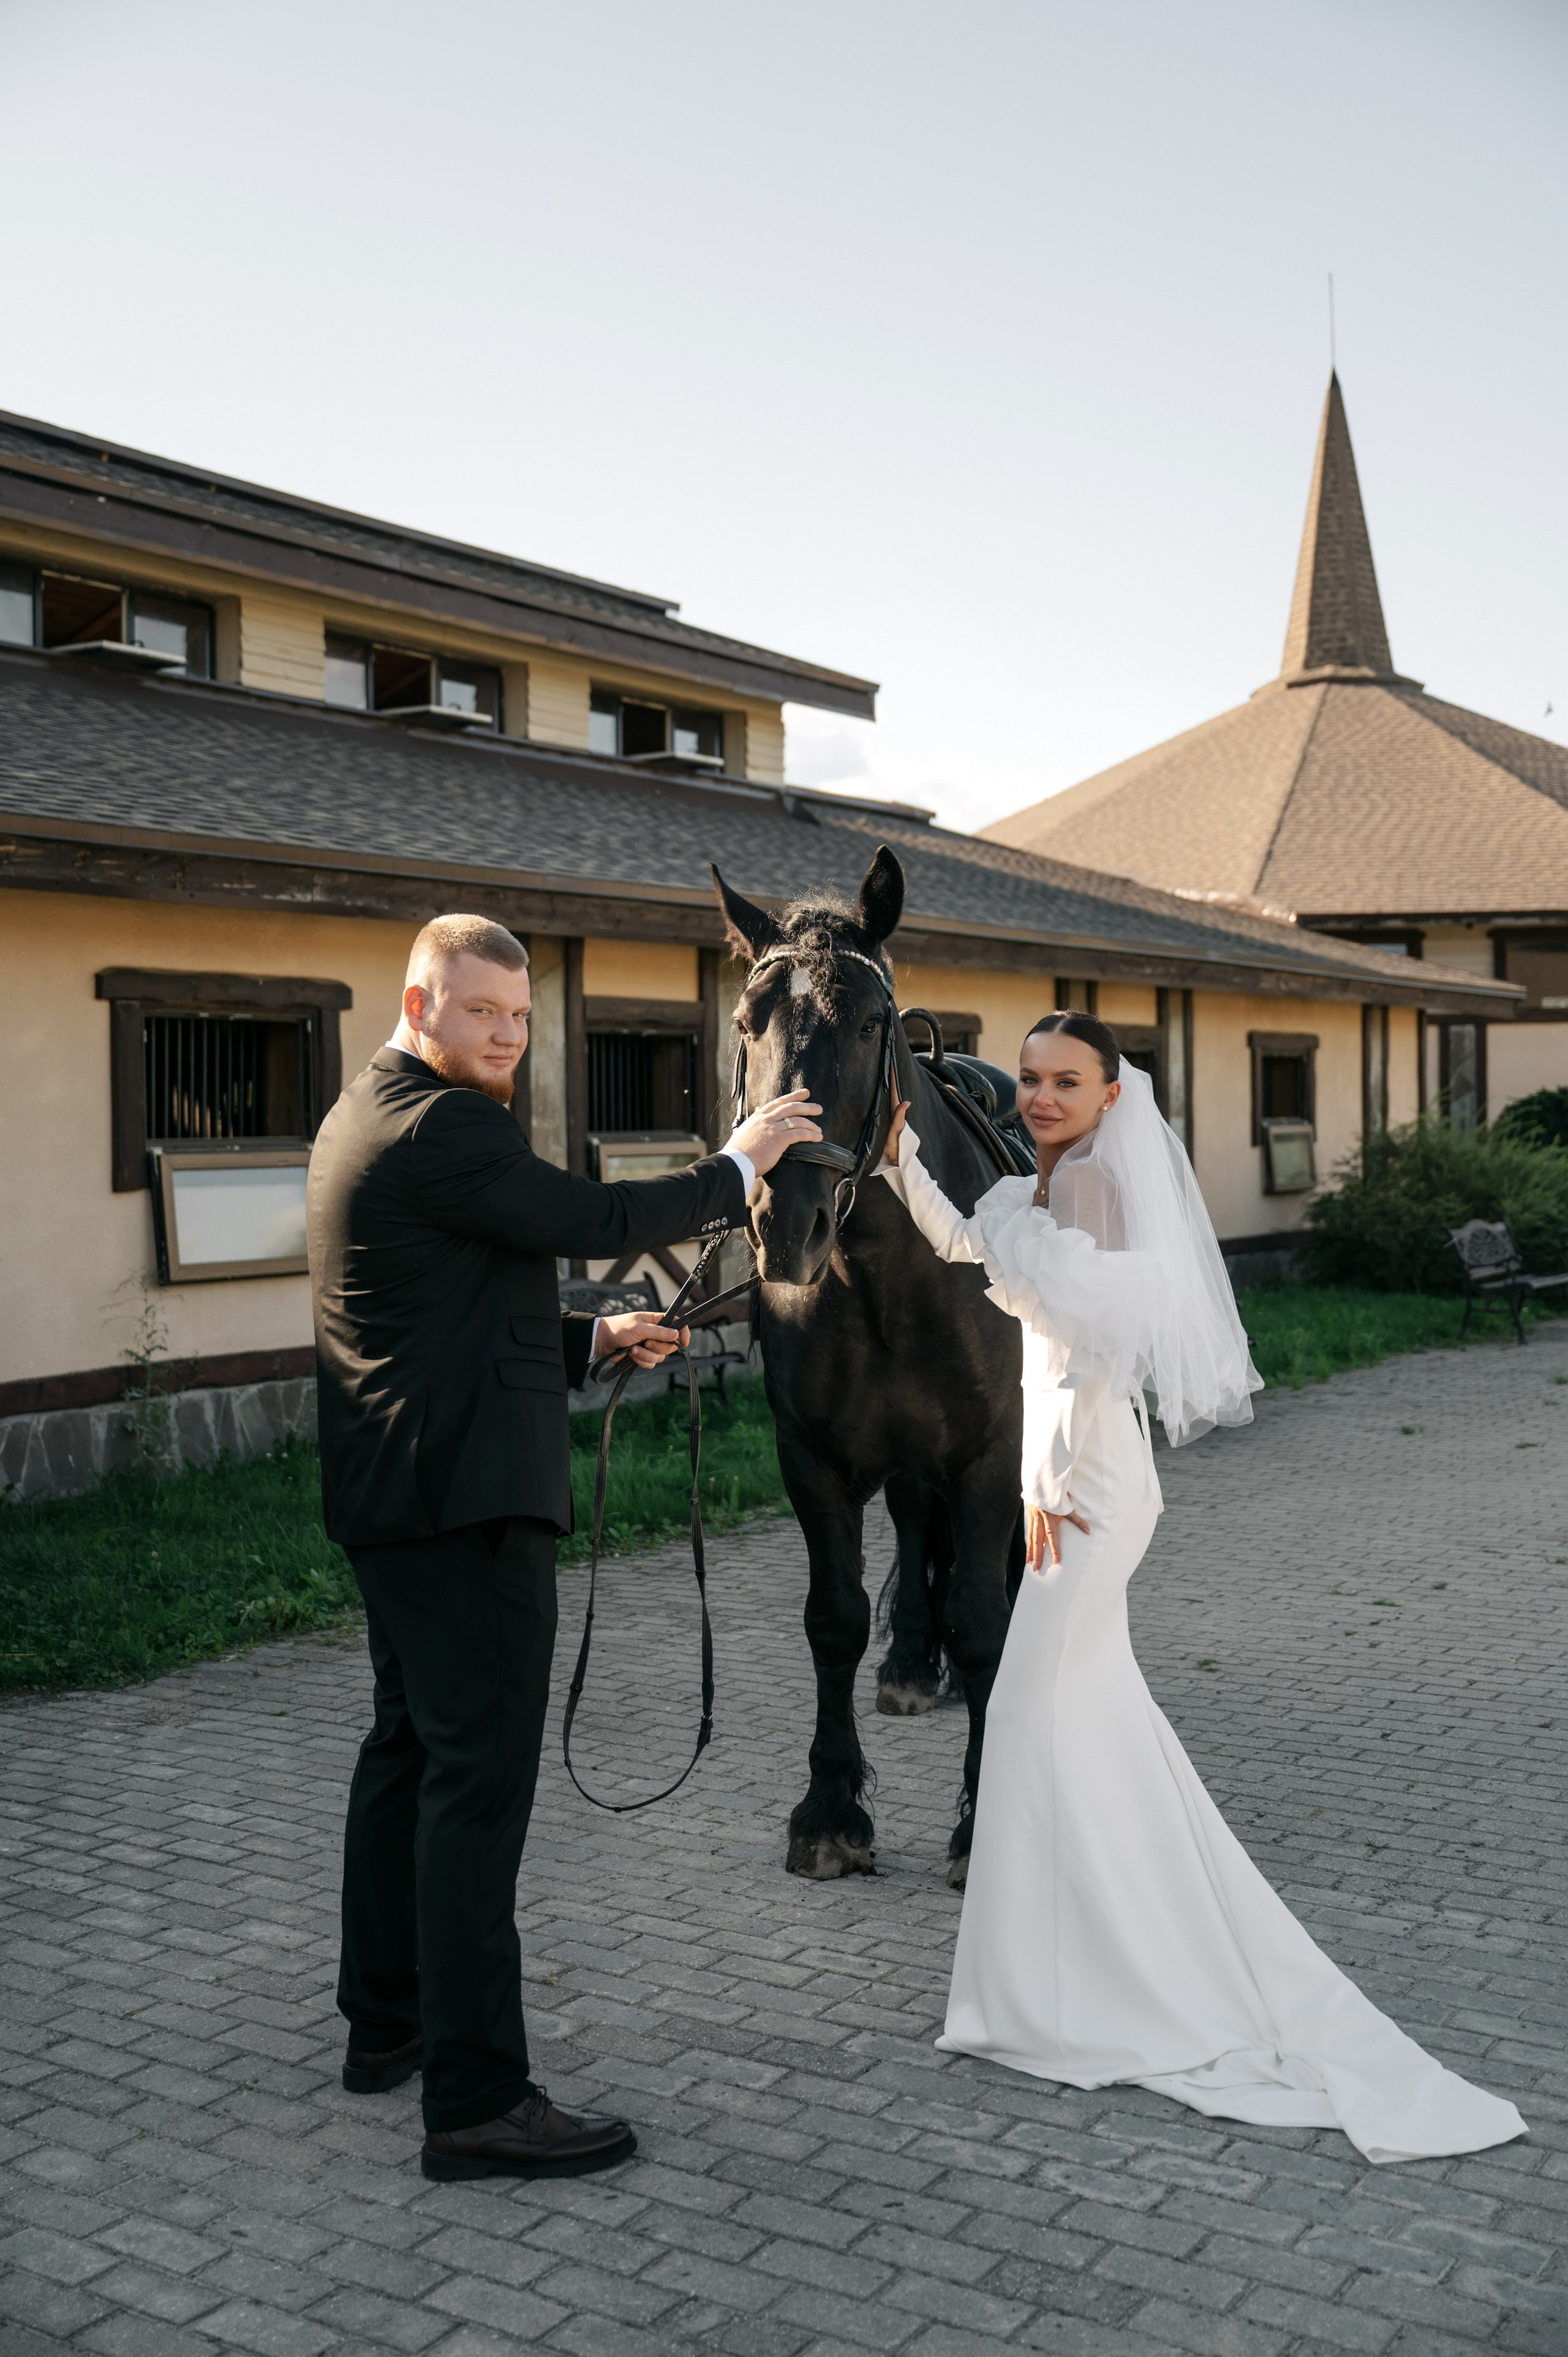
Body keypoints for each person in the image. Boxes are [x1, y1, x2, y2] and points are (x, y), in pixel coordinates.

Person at [879, 1011, 1526, 2165]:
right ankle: (1079, 1963)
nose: (1039, 1096)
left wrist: (1047, 1483)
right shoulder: (1043, 1186)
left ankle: (1073, 1984)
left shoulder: (1092, 1191)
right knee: (1083, 1726)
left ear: (1111, 1095)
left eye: (1065, 1081)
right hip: (1071, 1482)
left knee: (1028, 1718)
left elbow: (1091, 1348)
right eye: (1029, 1077)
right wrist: (902, 1163)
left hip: (1089, 1492)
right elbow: (972, 1249)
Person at [307, 913, 821, 2182]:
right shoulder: (446, 1125)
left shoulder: (363, 1112)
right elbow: (593, 1213)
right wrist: (740, 1162)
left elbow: (449, 1303)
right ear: (419, 1004)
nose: (506, 1036)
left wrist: (594, 1339)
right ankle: (477, 2099)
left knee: (406, 1754)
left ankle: (388, 2024)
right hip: (465, 1506)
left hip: (395, 1497)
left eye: (521, 1016)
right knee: (474, 1792)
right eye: (482, 1011)